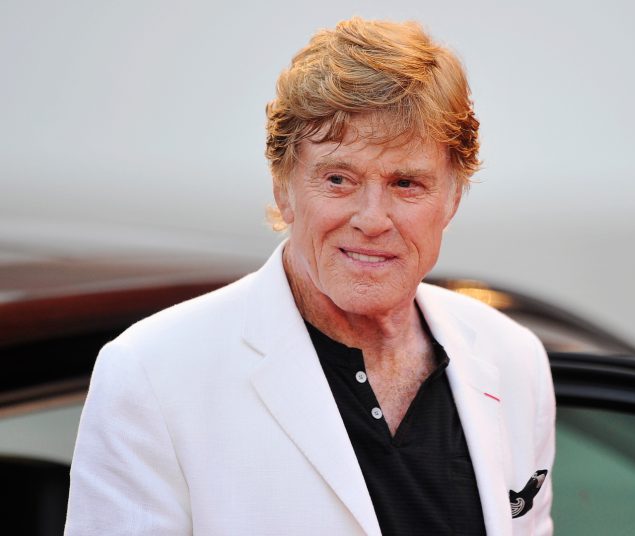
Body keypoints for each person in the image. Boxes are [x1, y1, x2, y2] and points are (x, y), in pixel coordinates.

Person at [65, 17, 555, 535]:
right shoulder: (152, 374)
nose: (372, 219)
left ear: (453, 198)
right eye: (339, 179)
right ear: (284, 189)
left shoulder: (514, 360)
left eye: (406, 183)